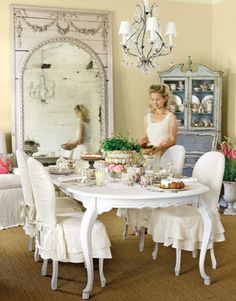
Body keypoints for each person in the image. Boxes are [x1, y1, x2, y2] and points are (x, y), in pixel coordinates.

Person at [140, 84, 178, 170]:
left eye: (158, 99)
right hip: (149, 156)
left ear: (165, 98)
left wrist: (160, 147)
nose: (154, 103)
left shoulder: (171, 117)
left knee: (158, 179)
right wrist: (142, 143)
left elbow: (173, 140)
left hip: (163, 156)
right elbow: (146, 137)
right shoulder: (147, 117)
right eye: (152, 100)